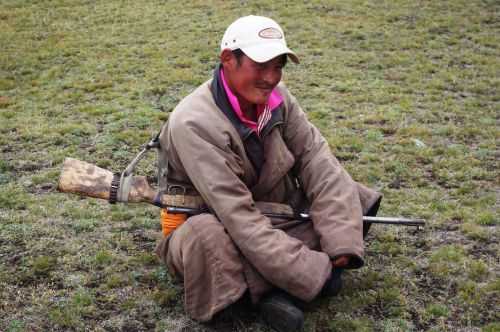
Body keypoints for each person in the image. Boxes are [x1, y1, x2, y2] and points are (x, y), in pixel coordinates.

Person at [155, 15, 381, 332]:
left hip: (274, 212)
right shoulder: (193, 122)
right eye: (261, 66)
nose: (271, 77)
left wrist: (342, 242)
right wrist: (311, 270)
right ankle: (276, 291)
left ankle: (266, 290)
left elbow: (318, 161)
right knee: (205, 239)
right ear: (227, 60)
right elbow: (237, 215)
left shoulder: (279, 99)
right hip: (219, 221)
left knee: (349, 194)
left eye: (278, 66)